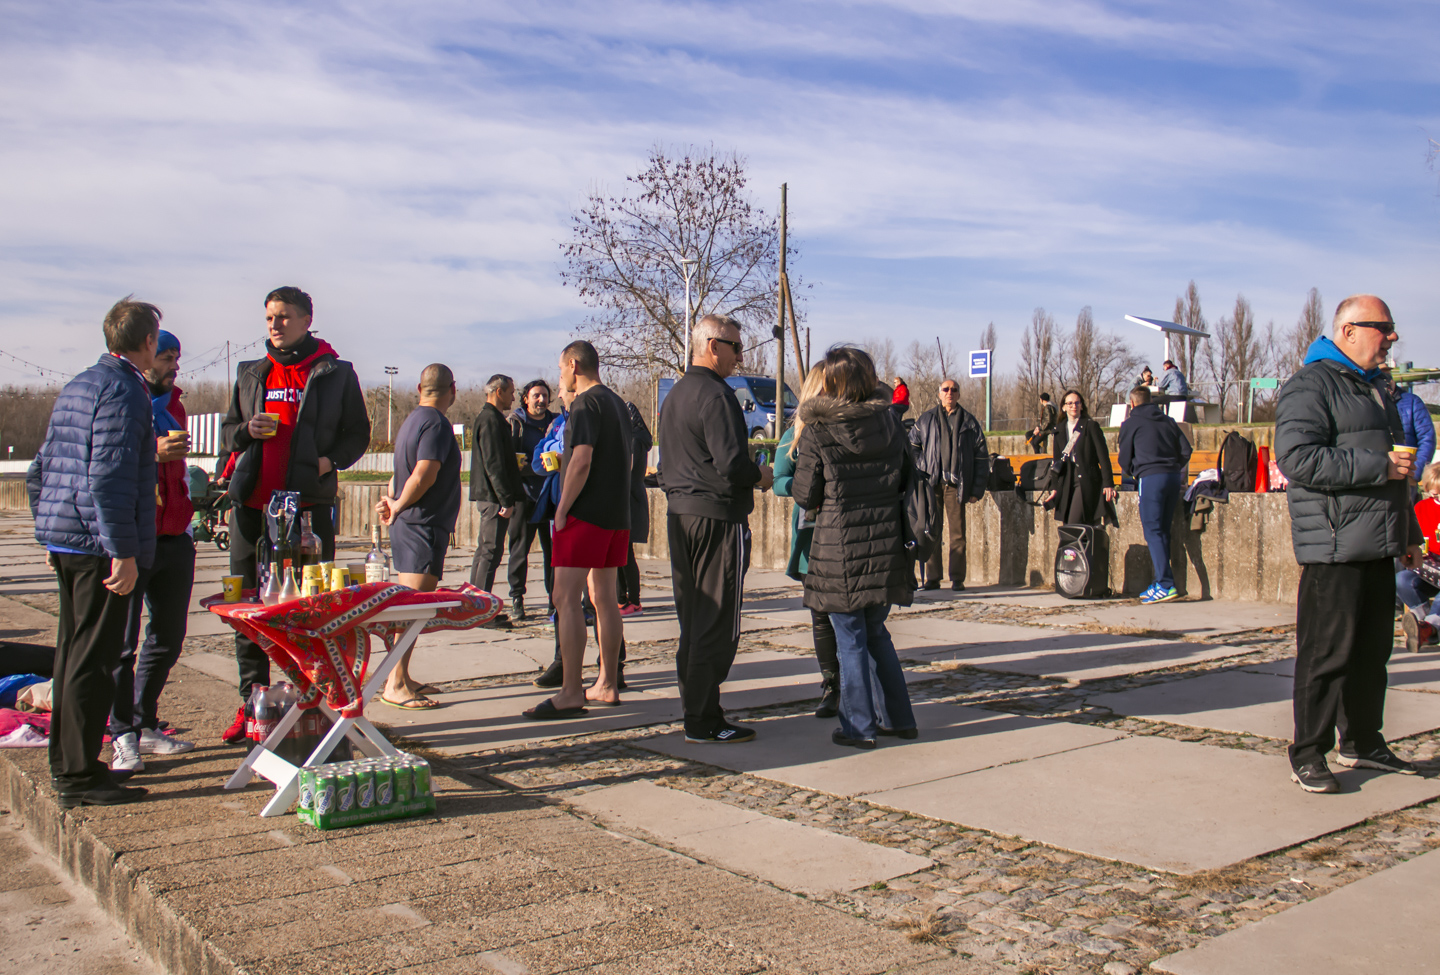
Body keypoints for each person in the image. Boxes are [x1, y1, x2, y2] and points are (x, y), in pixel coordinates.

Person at [1275, 293, 1421, 794]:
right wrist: (1378, 466)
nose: (1393, 338)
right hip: (1335, 546)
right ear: (1350, 330)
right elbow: (1297, 459)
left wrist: (1410, 533)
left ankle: (1362, 740)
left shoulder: (1376, 388)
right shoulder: (1310, 385)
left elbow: (1400, 471)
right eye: (1386, 327)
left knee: (1371, 651)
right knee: (1326, 653)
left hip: (1379, 542)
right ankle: (1308, 752)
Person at [219, 286, 371, 743]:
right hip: (253, 504)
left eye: (284, 316)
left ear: (307, 319)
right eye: (269, 317)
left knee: (310, 609)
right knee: (247, 606)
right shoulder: (251, 372)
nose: (274, 325)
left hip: (307, 507)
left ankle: (311, 702)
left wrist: (329, 462)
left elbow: (358, 433)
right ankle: (254, 704)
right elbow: (228, 432)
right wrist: (246, 430)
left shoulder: (335, 372)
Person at [28, 297, 158, 808]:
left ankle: (71, 760)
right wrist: (122, 551)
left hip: (69, 536)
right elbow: (108, 478)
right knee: (95, 657)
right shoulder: (126, 392)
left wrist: (49, 531)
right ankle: (78, 774)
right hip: (99, 543)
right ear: (147, 342)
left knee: (72, 651)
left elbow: (43, 467)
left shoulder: (78, 385)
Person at [792, 347, 917, 749]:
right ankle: (899, 718)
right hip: (884, 544)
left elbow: (805, 494)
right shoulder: (891, 425)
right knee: (877, 634)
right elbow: (906, 481)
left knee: (849, 639)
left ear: (832, 383)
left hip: (839, 547)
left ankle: (858, 726)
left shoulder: (818, 430)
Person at [658, 314, 774, 743]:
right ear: (712, 346)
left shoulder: (676, 396)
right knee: (717, 622)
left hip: (680, 515)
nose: (740, 357)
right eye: (736, 348)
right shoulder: (716, 395)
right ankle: (703, 718)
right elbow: (732, 464)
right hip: (717, 519)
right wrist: (761, 474)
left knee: (693, 618)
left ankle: (697, 711)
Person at [107, 329, 199, 778]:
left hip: (174, 535)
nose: (173, 365)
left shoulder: (175, 404)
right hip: (134, 538)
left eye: (177, 358)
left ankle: (144, 721)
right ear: (144, 356)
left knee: (167, 637)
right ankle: (121, 732)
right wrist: (154, 453)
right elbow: (105, 462)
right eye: (166, 357)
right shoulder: (122, 399)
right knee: (122, 643)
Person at [523, 341, 630, 719]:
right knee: (604, 597)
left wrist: (563, 508)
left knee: (563, 597)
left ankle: (570, 691)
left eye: (561, 369)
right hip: (616, 514)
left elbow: (581, 460)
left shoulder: (585, 404)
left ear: (573, 365)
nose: (560, 377)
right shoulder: (617, 402)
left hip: (586, 513)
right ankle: (607, 682)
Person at [375, 364, 462, 709]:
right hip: (421, 525)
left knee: (409, 607)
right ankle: (395, 684)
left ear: (418, 388)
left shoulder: (411, 421)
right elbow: (424, 474)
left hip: (411, 523)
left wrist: (393, 502)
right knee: (411, 610)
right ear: (452, 390)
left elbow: (401, 473)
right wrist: (397, 506)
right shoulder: (437, 424)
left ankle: (403, 676)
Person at [773, 365, 839, 718]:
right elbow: (778, 480)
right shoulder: (795, 432)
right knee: (820, 614)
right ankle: (831, 683)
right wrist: (806, 488)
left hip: (846, 533)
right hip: (812, 534)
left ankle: (855, 682)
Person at [909, 378, 989, 591]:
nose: (950, 393)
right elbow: (911, 446)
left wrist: (976, 490)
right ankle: (933, 578)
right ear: (939, 393)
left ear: (959, 394)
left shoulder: (969, 422)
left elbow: (981, 458)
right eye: (946, 389)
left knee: (958, 535)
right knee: (931, 531)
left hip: (956, 485)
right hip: (931, 484)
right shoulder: (926, 419)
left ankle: (957, 579)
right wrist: (922, 466)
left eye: (954, 390)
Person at [1117, 386, 1192, 605]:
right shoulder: (1168, 421)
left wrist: (1137, 470)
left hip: (1150, 478)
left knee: (1153, 531)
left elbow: (1124, 459)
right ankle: (1161, 580)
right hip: (1172, 477)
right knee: (1163, 530)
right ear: (1151, 401)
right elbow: (1186, 450)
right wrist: (1174, 466)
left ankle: (1165, 584)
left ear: (1132, 404)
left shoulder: (1131, 424)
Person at [468, 374, 523, 626]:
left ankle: (474, 606)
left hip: (491, 496)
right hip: (493, 498)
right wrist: (505, 499)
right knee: (490, 552)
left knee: (485, 551)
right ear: (498, 391)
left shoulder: (492, 418)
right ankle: (479, 611)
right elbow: (493, 464)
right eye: (511, 391)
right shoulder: (490, 419)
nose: (514, 396)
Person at [506, 380, 558, 620]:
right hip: (523, 497)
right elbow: (505, 458)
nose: (541, 400)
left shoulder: (557, 423)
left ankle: (553, 600)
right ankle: (517, 598)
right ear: (525, 398)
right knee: (519, 551)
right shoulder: (515, 424)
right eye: (536, 396)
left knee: (554, 554)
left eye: (545, 396)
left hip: (550, 498)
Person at [1045, 389, 1116, 525]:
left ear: (1082, 406)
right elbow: (1057, 461)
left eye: (1077, 403)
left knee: (1073, 524)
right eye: (1070, 403)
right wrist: (1054, 487)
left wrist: (1108, 483)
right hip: (1067, 480)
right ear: (1064, 407)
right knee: (1069, 524)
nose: (1074, 406)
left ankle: (1069, 547)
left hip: (1086, 479)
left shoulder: (1090, 426)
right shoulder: (1059, 430)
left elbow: (1103, 457)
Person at [1397, 463, 1440, 652]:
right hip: (1429, 565)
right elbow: (1416, 537)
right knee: (1403, 579)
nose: (1433, 497)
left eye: (1438, 494)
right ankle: (1426, 626)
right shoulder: (1422, 507)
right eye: (1430, 492)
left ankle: (1428, 629)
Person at [619, 401, 653, 616]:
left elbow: (626, 470)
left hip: (628, 500)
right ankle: (625, 598)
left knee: (624, 554)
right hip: (630, 498)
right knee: (622, 553)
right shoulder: (636, 438)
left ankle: (630, 600)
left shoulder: (632, 440)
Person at [1382, 368, 1436, 487]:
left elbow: (1427, 439)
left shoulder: (1411, 402)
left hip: (1406, 475)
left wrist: (1415, 473)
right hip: (1379, 473)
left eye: (1387, 372)